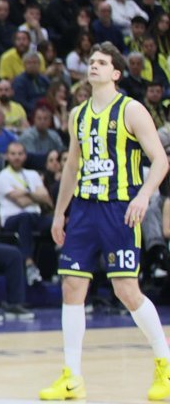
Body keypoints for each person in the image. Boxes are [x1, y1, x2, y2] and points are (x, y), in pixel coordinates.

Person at [39, 42, 170, 400]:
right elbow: (71, 166)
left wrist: (143, 196)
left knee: (126, 289)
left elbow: (160, 160)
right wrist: (60, 212)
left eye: (101, 62)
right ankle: (72, 375)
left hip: (120, 208)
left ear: (116, 73)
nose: (93, 65)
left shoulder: (132, 110)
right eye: (91, 61)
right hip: (84, 209)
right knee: (71, 286)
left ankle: (164, 362)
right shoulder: (77, 114)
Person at [0, 142, 51, 287]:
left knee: (57, 222)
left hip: (34, 216)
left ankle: (63, 259)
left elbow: (47, 198)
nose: (17, 157)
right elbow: (21, 203)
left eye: (20, 154)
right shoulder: (2, 177)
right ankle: (29, 264)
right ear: (7, 156)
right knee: (25, 218)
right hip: (11, 218)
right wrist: (35, 195)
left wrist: (25, 192)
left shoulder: (33, 174)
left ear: (25, 156)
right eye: (13, 154)